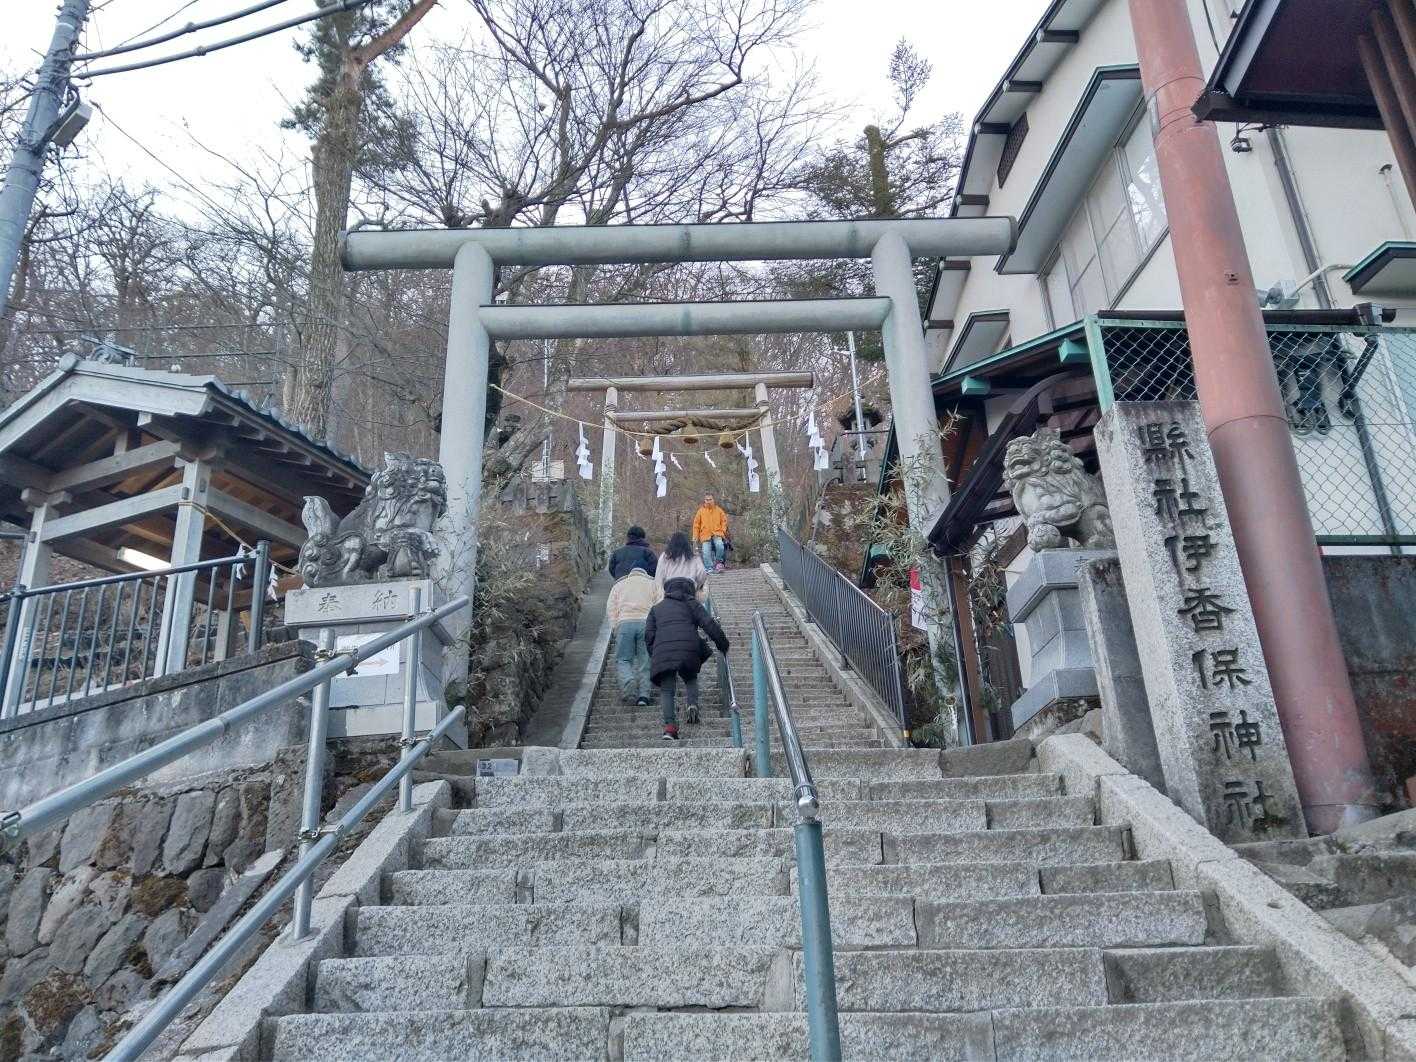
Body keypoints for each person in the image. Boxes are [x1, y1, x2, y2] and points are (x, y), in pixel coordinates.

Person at [645, 576, 729, 740]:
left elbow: (648, 635)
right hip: (688, 648)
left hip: (663, 651)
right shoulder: (692, 604)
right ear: (689, 589)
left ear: (668, 591)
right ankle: (692, 704)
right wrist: (723, 644)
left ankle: (670, 728)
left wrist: (655, 654)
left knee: (667, 689)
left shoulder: (656, 609)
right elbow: (708, 624)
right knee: (690, 677)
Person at [604, 562, 661, 705]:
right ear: (645, 572)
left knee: (623, 659)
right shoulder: (653, 584)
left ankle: (628, 680)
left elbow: (611, 607)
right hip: (646, 623)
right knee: (645, 661)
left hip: (625, 623)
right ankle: (644, 696)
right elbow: (660, 604)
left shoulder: (619, 585)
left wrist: (615, 626)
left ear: (631, 572)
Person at [654, 530, 708, 598]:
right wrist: (697, 587)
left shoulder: (665, 557)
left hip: (669, 593)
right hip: (689, 593)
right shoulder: (694, 557)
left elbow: (659, 577)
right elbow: (702, 574)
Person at [692, 493, 729, 572]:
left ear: (713, 500)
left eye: (710, 499)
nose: (708, 501)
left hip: (717, 533)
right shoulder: (700, 511)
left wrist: (723, 531)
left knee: (720, 546)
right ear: (704, 500)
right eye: (707, 500)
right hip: (705, 535)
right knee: (705, 552)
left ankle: (718, 563)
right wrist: (695, 537)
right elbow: (696, 525)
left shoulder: (719, 510)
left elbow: (724, 521)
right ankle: (709, 568)